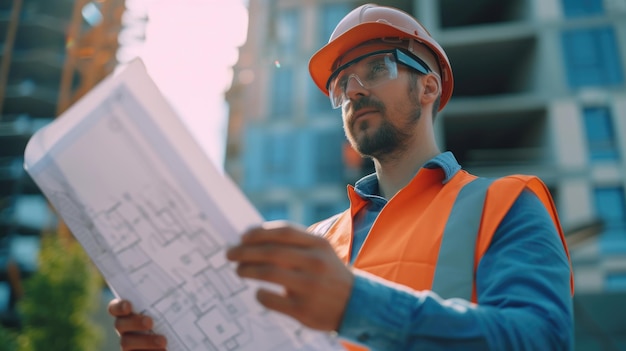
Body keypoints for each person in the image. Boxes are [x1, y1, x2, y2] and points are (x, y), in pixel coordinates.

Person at [108, 4, 574, 350]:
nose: (353, 89)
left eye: (377, 67)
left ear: (428, 86)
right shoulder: (318, 239)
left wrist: (358, 305)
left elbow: (540, 339)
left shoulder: (506, 203)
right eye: (342, 83)